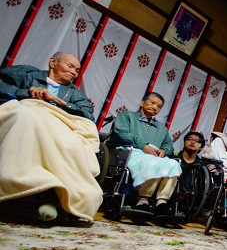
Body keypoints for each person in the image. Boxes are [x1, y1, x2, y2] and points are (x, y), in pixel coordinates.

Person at [0, 52, 102, 222]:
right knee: (26, 117)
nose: (74, 73)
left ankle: (53, 193)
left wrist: (58, 102)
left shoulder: (75, 94)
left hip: (58, 122)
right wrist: (26, 92)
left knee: (73, 143)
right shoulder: (28, 74)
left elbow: (87, 115)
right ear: (53, 62)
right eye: (70, 66)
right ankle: (31, 185)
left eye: (77, 70)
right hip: (29, 110)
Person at [111, 92, 181, 217]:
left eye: (159, 106)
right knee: (150, 161)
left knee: (173, 164)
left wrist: (164, 150)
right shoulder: (126, 116)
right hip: (131, 150)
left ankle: (162, 202)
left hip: (154, 155)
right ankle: (143, 199)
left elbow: (169, 145)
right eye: (152, 103)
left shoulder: (161, 128)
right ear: (142, 103)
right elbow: (122, 133)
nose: (155, 107)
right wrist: (143, 146)